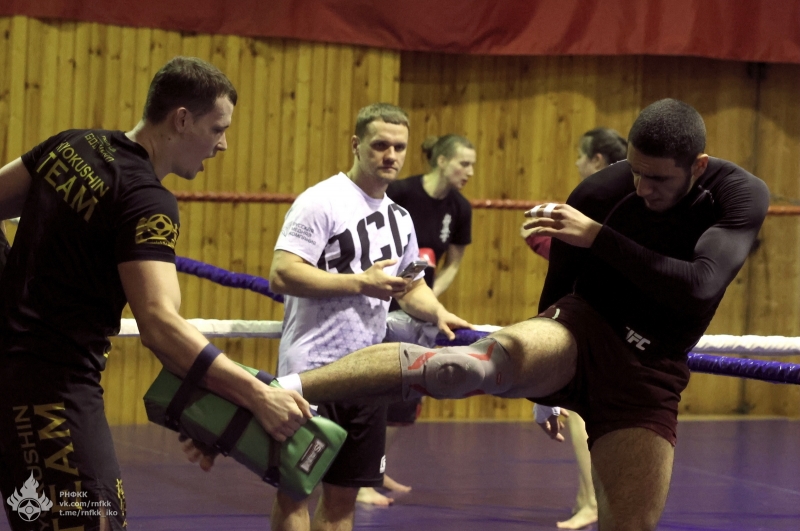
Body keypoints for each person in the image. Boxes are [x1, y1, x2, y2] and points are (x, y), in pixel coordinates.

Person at [281, 99, 770, 530]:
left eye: (658, 178)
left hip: (649, 372)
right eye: (636, 171)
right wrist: (543, 388)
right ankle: (283, 387)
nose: (642, 188)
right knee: (459, 367)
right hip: (583, 330)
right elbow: (559, 290)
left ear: (698, 166)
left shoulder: (737, 195)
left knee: (630, 524)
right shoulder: (603, 191)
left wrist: (597, 236)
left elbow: (700, 284)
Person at [0, 56, 310, 531]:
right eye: (217, 129)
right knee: (95, 519)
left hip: (14, 382)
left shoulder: (71, 144)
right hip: (53, 396)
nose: (223, 145)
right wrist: (257, 395)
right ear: (181, 120)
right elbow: (161, 326)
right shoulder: (147, 200)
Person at [267, 103, 472, 531]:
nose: (390, 155)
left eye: (399, 147)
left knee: (344, 501)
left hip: (368, 375)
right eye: (380, 145)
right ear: (356, 145)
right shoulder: (321, 201)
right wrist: (360, 283)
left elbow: (411, 286)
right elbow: (282, 273)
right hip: (313, 372)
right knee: (296, 494)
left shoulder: (400, 218)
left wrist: (439, 313)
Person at [355, 134, 475, 505]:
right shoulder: (401, 193)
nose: (470, 172)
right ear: (441, 160)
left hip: (420, 308)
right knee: (373, 389)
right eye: (464, 163)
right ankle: (357, 479)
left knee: (406, 396)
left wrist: (428, 299)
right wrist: (394, 292)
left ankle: (374, 468)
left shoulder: (460, 207)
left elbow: (453, 261)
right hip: (381, 305)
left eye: (472, 165)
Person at [520, 127, 627, 530]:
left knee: (584, 411)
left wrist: (542, 241)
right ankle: (590, 498)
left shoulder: (603, 199)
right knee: (594, 411)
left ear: (597, 159)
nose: (578, 165)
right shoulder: (627, 197)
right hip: (617, 318)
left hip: (604, 319)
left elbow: (594, 261)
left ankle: (592, 500)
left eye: (582, 157)